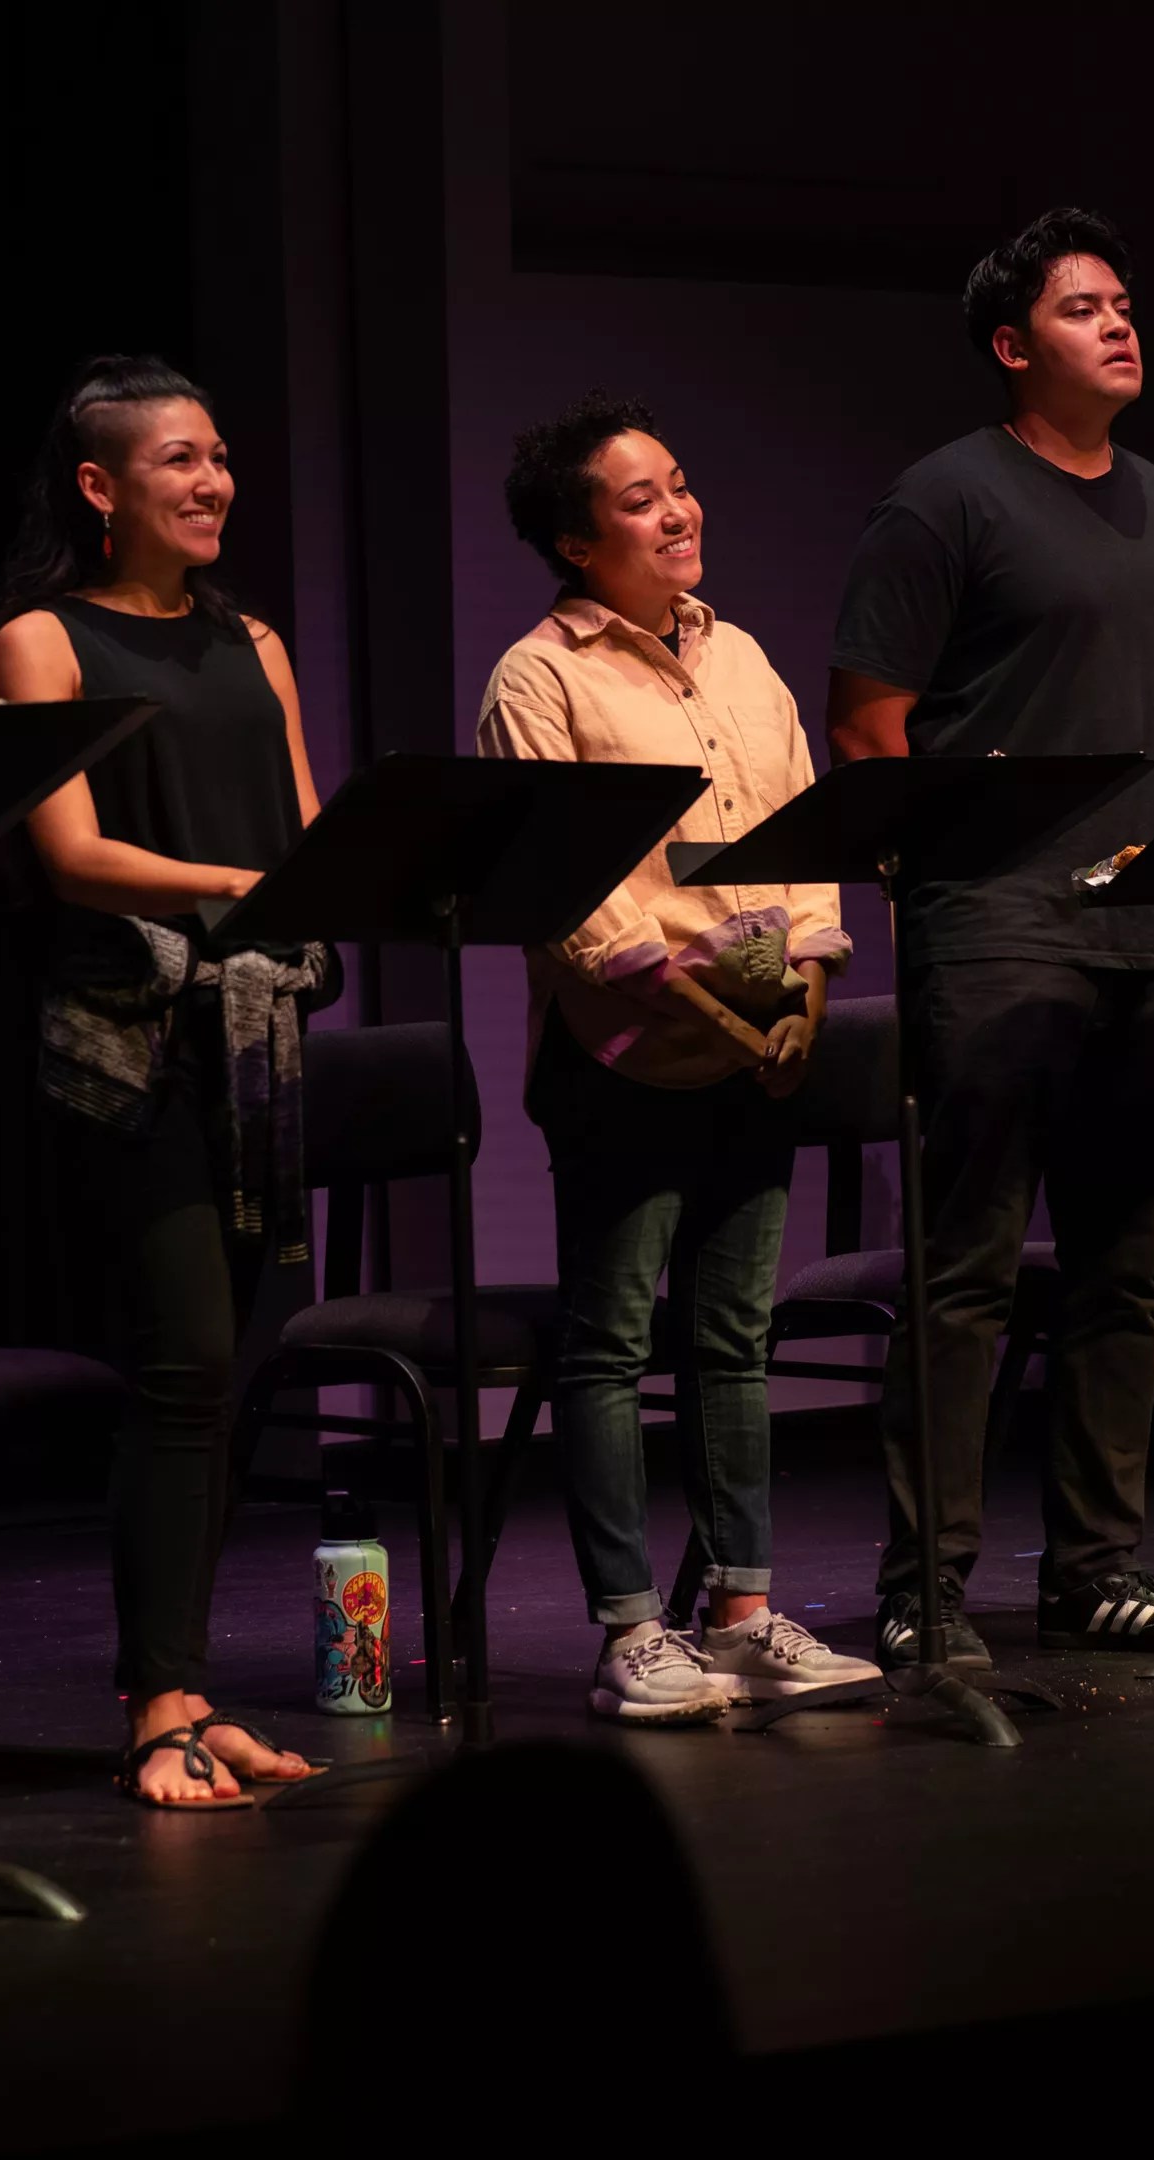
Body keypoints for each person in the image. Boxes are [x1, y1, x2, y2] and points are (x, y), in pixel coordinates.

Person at [827, 208, 1154, 1666]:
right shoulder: (941, 500)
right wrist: (971, 869)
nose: (1120, 323)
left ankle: (1094, 1568)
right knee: (970, 1266)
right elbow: (872, 722)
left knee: (1129, 1258)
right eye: (1084, 308)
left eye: (1126, 302)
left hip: (1149, 926)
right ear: (1013, 346)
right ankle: (922, 1589)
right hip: (997, 926)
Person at [477, 394, 882, 1722]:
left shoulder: (744, 657)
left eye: (682, 485)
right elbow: (573, 892)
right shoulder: (540, 676)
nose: (679, 510)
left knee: (732, 1338)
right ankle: (629, 1632)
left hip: (757, 1039)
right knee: (607, 1343)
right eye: (642, 498)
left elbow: (796, 838)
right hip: (623, 1050)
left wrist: (802, 987)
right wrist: (702, 1004)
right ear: (576, 543)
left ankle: (746, 1614)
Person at [0, 355, 331, 1807]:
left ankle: (187, 1683)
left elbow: (311, 823)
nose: (211, 484)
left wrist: (310, 892)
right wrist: (239, 887)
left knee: (234, 1372)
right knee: (181, 1363)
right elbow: (66, 854)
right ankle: (157, 1703)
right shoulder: (42, 641)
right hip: (128, 1051)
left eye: (219, 458)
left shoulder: (252, 638)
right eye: (178, 461)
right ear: (100, 487)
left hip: (256, 1048)